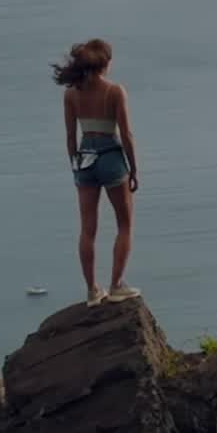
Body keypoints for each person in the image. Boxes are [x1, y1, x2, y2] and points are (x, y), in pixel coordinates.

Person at [55, 37, 140, 302]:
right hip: (111, 157)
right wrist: (134, 168)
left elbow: (70, 137)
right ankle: (116, 285)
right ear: (105, 63)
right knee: (124, 224)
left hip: (84, 158)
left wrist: (75, 167)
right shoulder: (114, 91)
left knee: (87, 229)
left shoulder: (71, 94)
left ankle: (92, 290)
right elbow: (125, 134)